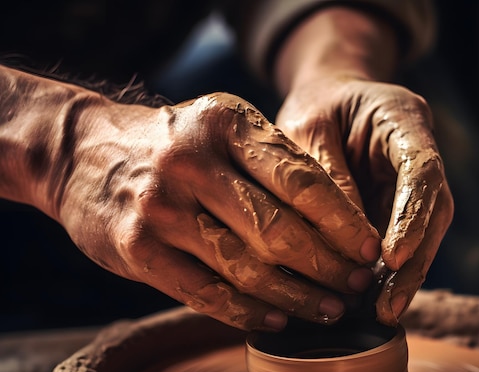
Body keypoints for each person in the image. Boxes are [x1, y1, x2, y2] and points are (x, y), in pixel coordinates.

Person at [0, 0, 453, 332]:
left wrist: (331, 69)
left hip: (138, 68)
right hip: (21, 124)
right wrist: (63, 145)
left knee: (421, 159)